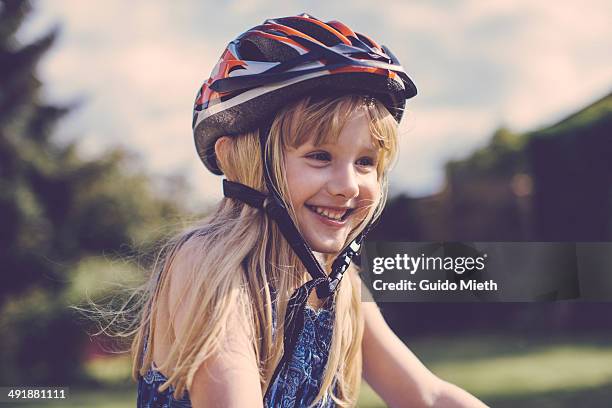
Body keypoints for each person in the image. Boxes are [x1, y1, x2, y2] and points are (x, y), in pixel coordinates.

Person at [132, 13, 488, 408]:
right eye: (320, 156)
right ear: (240, 161)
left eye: (366, 162)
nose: (349, 185)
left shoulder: (338, 284)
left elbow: (428, 395)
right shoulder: (208, 266)